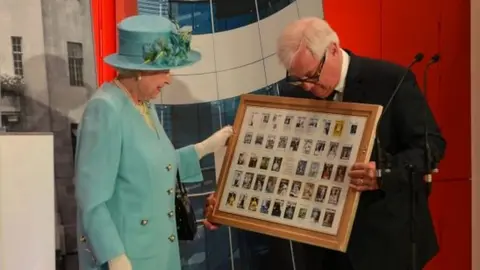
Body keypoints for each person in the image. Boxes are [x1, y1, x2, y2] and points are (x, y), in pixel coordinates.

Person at [204, 17, 446, 270]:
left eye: (312, 75)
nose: (307, 86)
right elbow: (275, 158)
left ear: (332, 49)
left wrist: (383, 173)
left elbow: (431, 147)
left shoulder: (390, 80)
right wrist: (229, 201)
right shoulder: (295, 94)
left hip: (386, 243)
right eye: (298, 78)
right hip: (323, 245)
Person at [75, 15, 233, 270]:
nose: (169, 79)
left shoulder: (144, 105)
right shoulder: (104, 109)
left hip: (160, 252)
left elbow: (153, 167)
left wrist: (205, 148)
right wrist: (115, 257)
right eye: (164, 70)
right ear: (140, 71)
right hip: (130, 257)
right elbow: (91, 198)